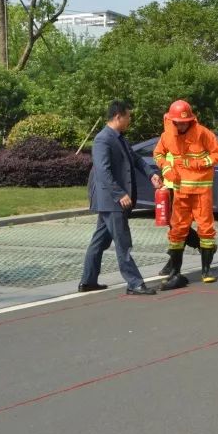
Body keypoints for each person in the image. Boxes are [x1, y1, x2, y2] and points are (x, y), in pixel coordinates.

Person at [80, 100, 161, 296]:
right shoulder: (103, 139)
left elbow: (136, 159)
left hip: (113, 200)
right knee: (123, 242)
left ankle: (88, 281)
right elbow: (103, 170)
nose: (130, 120)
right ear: (118, 117)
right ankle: (134, 282)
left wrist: (151, 174)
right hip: (112, 200)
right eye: (128, 116)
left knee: (99, 241)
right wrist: (119, 193)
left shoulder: (119, 138)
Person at [153, 100, 218, 290]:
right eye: (178, 122)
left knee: (206, 229)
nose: (181, 125)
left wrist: (200, 164)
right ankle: (175, 271)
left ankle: (206, 271)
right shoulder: (167, 135)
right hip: (180, 191)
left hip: (201, 191)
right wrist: (167, 169)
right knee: (177, 230)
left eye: (184, 122)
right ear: (172, 121)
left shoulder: (203, 133)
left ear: (191, 120)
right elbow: (158, 154)